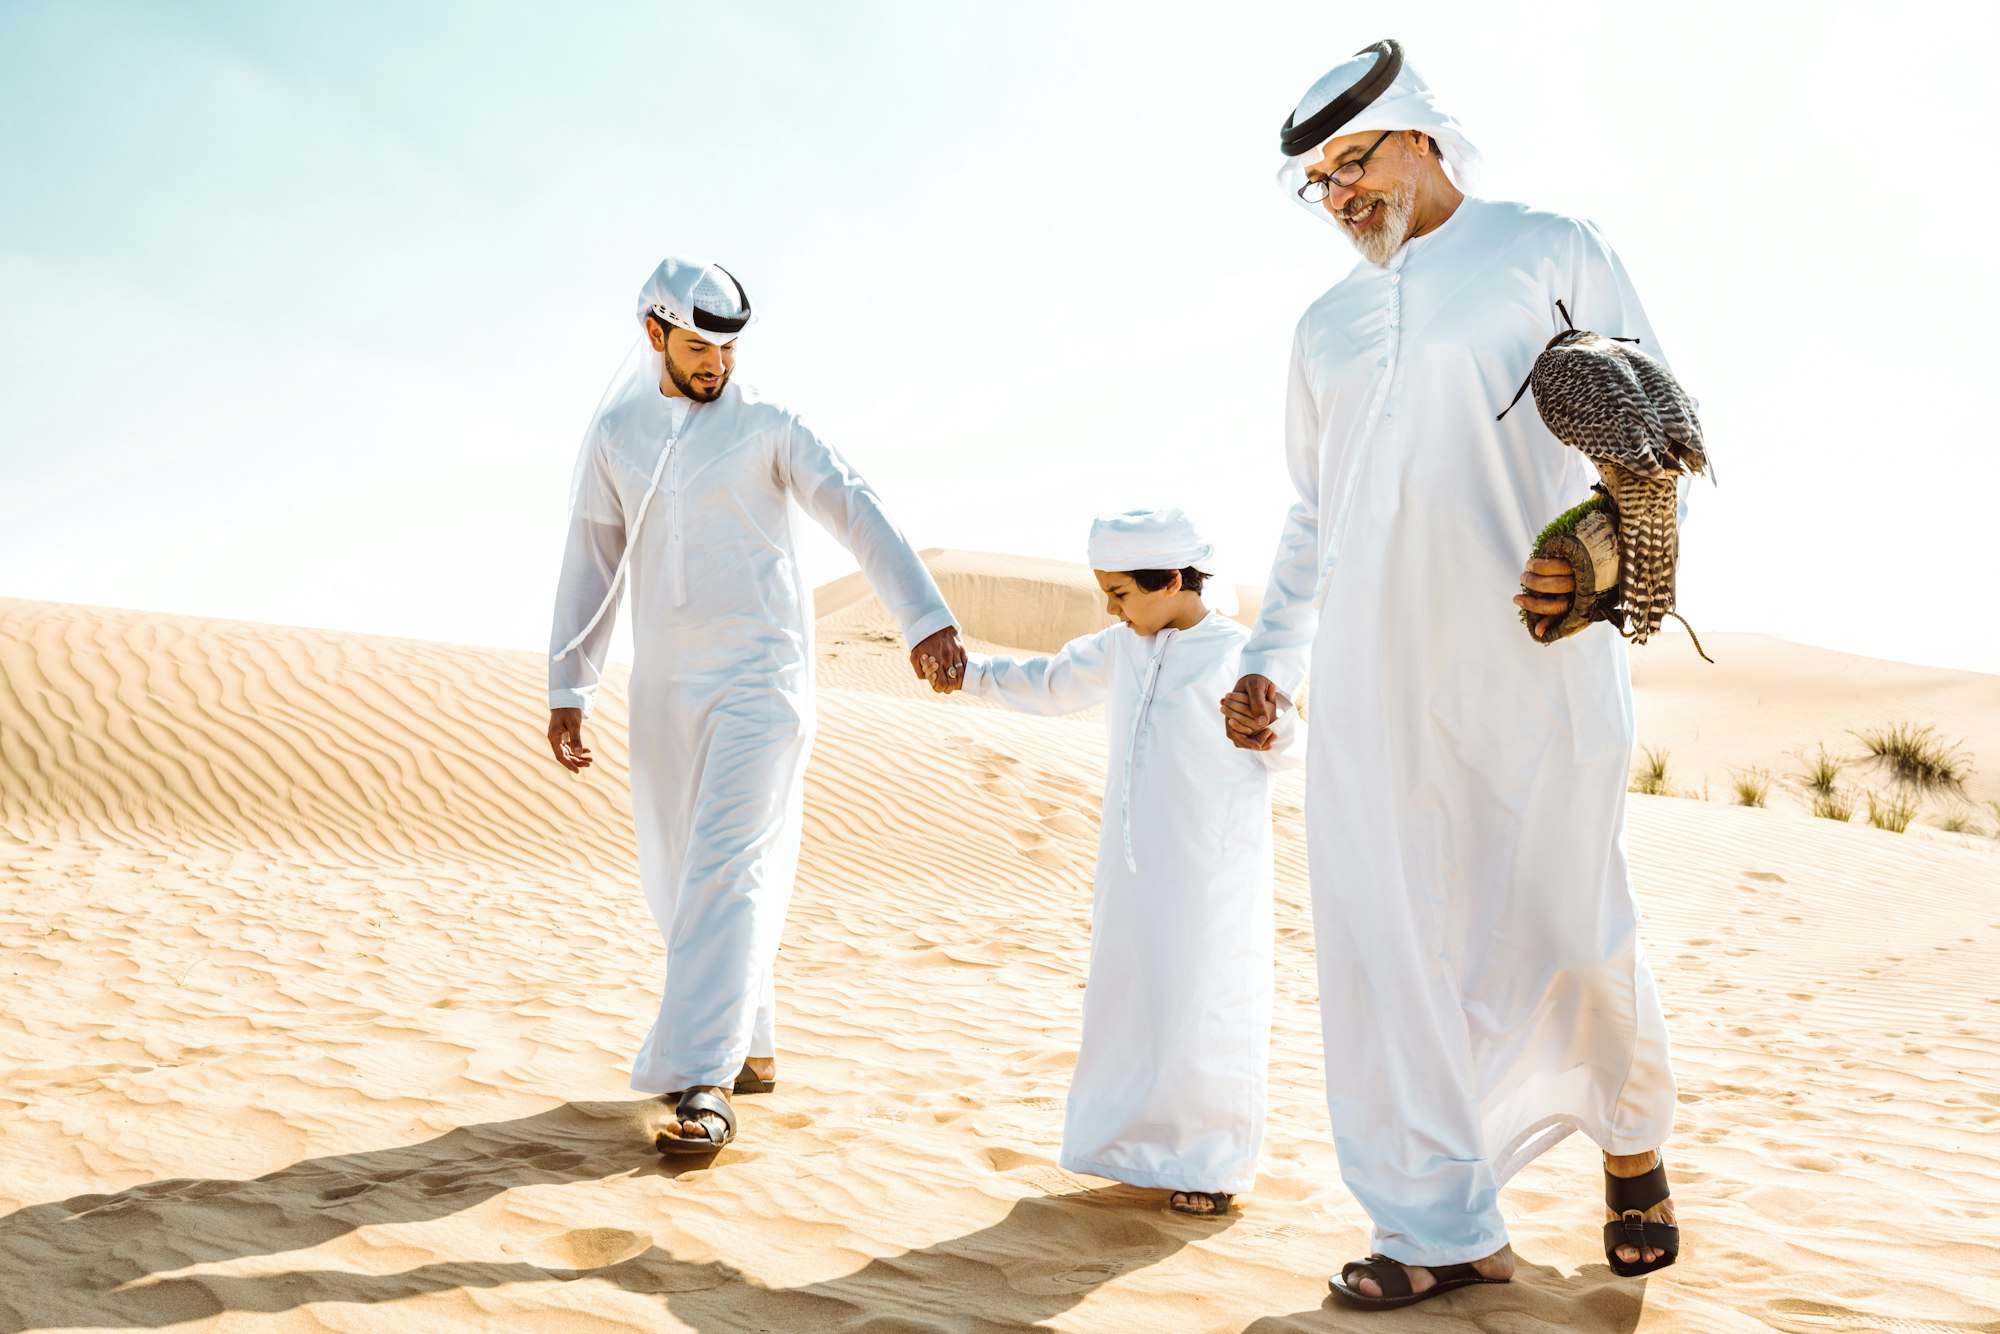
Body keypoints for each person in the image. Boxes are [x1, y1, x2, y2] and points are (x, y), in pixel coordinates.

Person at [1220, 40, 1683, 1310]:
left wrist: (1603, 546)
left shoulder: (1545, 249)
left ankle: (1630, 1141)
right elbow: (1314, 513)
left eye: (1353, 163)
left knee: (1569, 916)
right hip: (1370, 684)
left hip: (1529, 667)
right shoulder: (1322, 327)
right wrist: (1270, 655)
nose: (1340, 197)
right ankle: (1434, 1221)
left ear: (1420, 138)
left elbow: (1655, 435)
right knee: (1386, 943)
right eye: (1317, 182)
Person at [546, 256, 966, 1154]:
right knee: (677, 875)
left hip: (762, 682)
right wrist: (569, 685)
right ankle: (755, 1044)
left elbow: (858, 509)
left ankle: (702, 1082)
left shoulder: (772, 425)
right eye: (699, 346)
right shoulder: (616, 435)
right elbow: (593, 563)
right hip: (664, 689)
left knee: (725, 867)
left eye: (729, 350)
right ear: (655, 333)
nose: (716, 366)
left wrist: (922, 617)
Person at [962, 509, 1300, 1217]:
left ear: (1173, 580)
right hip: (1131, 868)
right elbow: (1048, 682)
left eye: (1121, 593)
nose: (1112, 608)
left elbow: (1293, 731)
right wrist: (966, 673)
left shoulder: (1241, 651)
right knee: (1131, 1005)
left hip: (1211, 872)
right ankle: (1130, 1154)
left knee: (1205, 1006)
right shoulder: (1123, 648)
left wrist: (1270, 728)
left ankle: (1211, 1167)